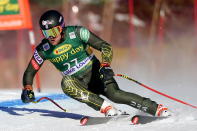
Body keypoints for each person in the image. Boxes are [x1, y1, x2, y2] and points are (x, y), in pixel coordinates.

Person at [21, 10, 171, 117]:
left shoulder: (78, 33)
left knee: (115, 95)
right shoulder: (44, 49)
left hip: (97, 74)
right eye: (46, 33)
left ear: (61, 28)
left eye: (53, 32)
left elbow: (105, 46)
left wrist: (105, 65)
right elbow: (30, 71)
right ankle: (106, 108)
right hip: (78, 83)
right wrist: (27, 88)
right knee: (66, 83)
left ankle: (156, 108)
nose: (51, 37)